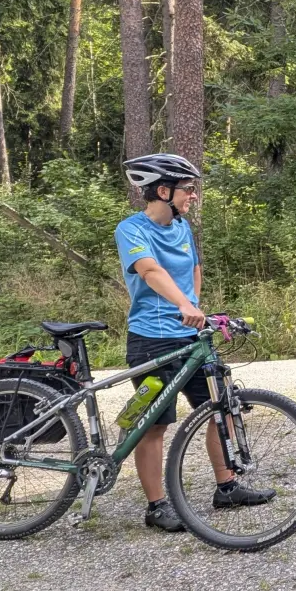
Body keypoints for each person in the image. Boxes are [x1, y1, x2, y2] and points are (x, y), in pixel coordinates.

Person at [117, 154, 274, 532]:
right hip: (152, 340)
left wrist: (196, 308)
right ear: (163, 190)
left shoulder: (182, 227)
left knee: (220, 408)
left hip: (192, 337)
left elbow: (195, 268)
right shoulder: (131, 229)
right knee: (154, 425)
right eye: (188, 189)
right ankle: (156, 506)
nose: (193, 196)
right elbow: (150, 270)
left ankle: (227, 486)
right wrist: (182, 304)